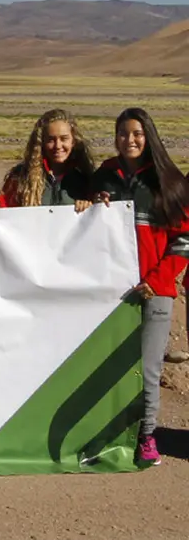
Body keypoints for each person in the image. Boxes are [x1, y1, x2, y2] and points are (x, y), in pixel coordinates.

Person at [91, 108, 189, 466]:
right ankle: (107, 435)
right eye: (122, 133)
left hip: (154, 292)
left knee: (147, 369)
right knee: (105, 366)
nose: (129, 140)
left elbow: (183, 241)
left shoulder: (169, 182)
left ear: (149, 136)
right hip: (111, 292)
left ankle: (146, 436)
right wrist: (93, 203)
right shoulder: (104, 176)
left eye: (136, 133)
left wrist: (157, 280)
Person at [0, 109, 95, 212]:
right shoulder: (21, 176)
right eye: (51, 140)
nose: (58, 145)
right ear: (41, 142)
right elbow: (6, 207)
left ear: (74, 141)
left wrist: (89, 207)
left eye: (64, 139)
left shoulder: (86, 179)